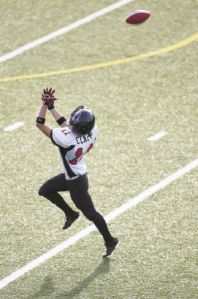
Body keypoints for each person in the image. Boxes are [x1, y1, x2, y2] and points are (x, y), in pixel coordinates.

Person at [36, 88, 118, 257]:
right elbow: (67, 126)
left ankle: (110, 240)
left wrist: (44, 104)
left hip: (77, 182)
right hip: (75, 175)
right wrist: (52, 107)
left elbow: (40, 123)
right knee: (45, 190)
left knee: (91, 214)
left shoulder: (67, 139)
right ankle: (70, 213)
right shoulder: (92, 131)